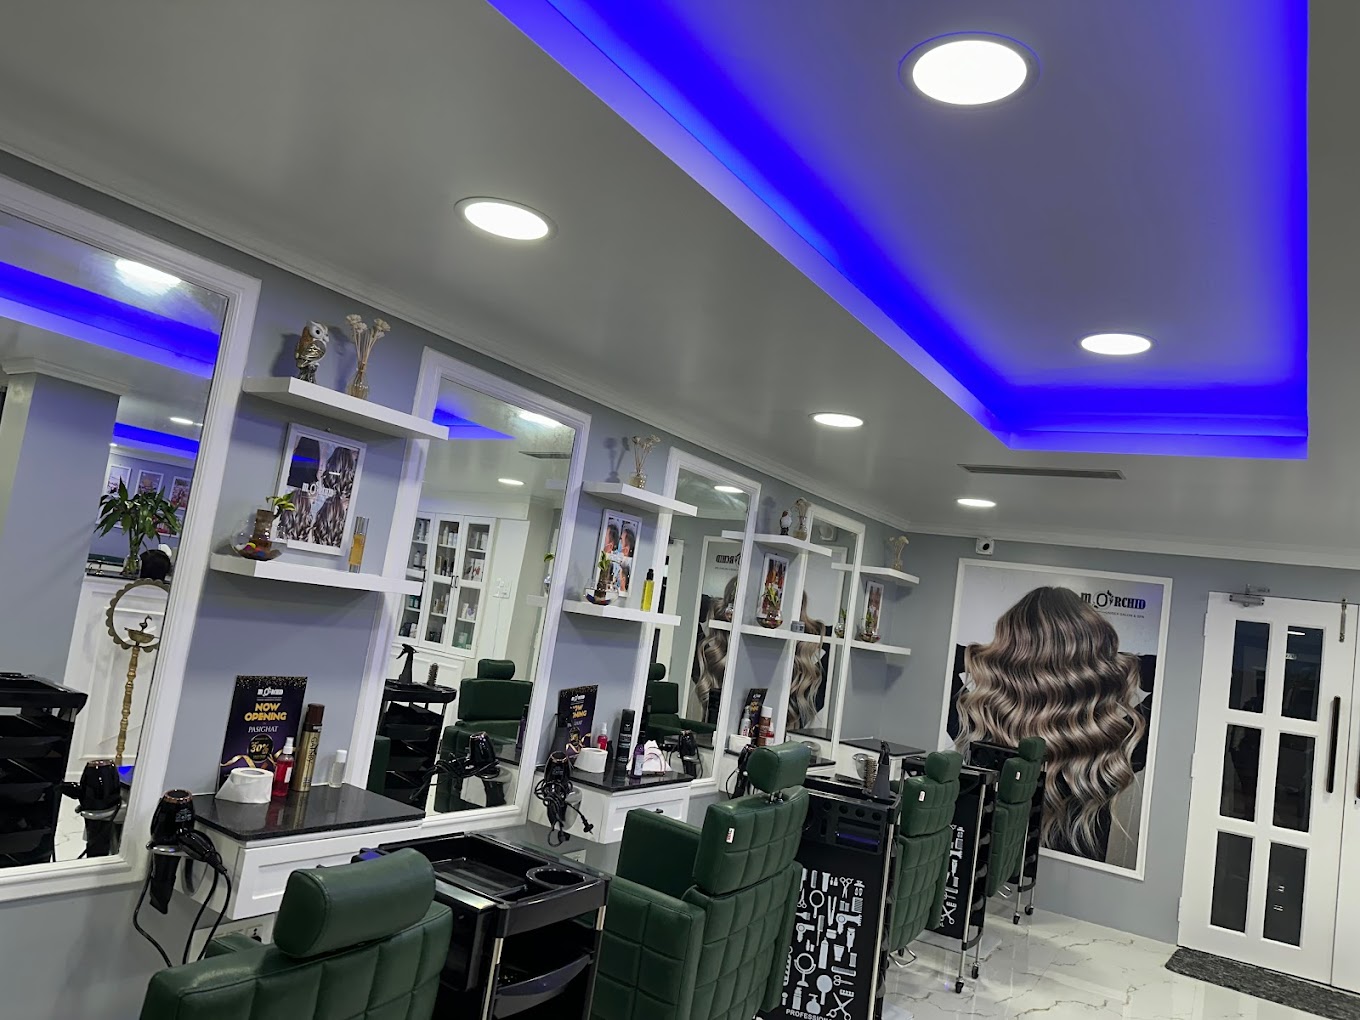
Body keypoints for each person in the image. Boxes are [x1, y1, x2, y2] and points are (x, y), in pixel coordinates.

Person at [953, 586, 1149, 861]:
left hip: (991, 862)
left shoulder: (975, 721)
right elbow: (1162, 674)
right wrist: (1105, 662)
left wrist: (988, 655)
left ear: (1007, 651)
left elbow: (948, 656)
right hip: (1078, 874)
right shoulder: (1117, 738)